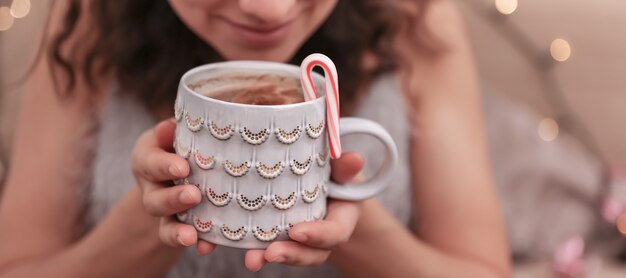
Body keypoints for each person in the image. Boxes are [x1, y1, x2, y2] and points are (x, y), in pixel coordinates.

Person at [0, 0, 511, 277]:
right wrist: (153, 211)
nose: (268, 10)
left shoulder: (419, 21)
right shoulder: (86, 23)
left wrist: (333, 208)